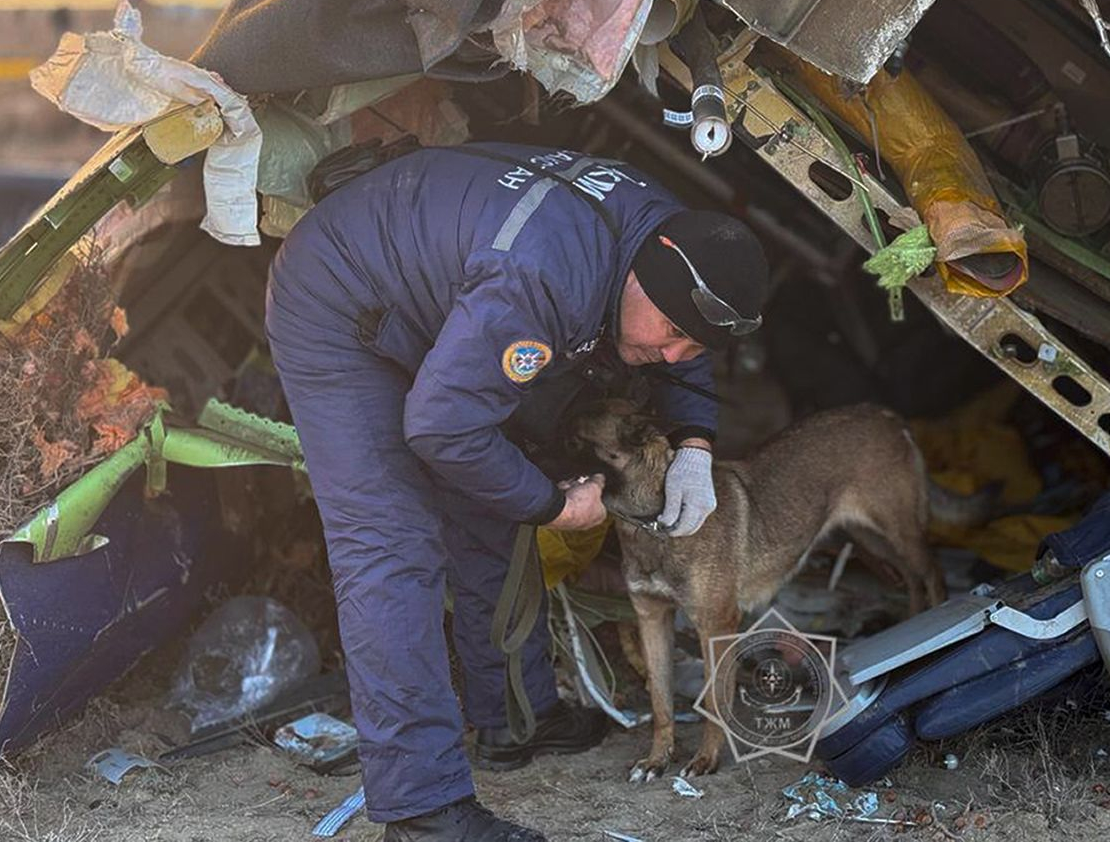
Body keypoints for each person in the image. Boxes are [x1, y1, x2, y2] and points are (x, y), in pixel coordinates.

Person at [265, 141, 770, 842]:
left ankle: (515, 717)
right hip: (339, 298)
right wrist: (557, 506)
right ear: (642, 279)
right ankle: (421, 809)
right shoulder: (543, 280)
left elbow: (681, 339)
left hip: (436, 290)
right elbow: (441, 427)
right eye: (674, 333)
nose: (676, 355)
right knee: (391, 543)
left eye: (696, 345)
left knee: (488, 502)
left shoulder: (664, 233)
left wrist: (695, 441)